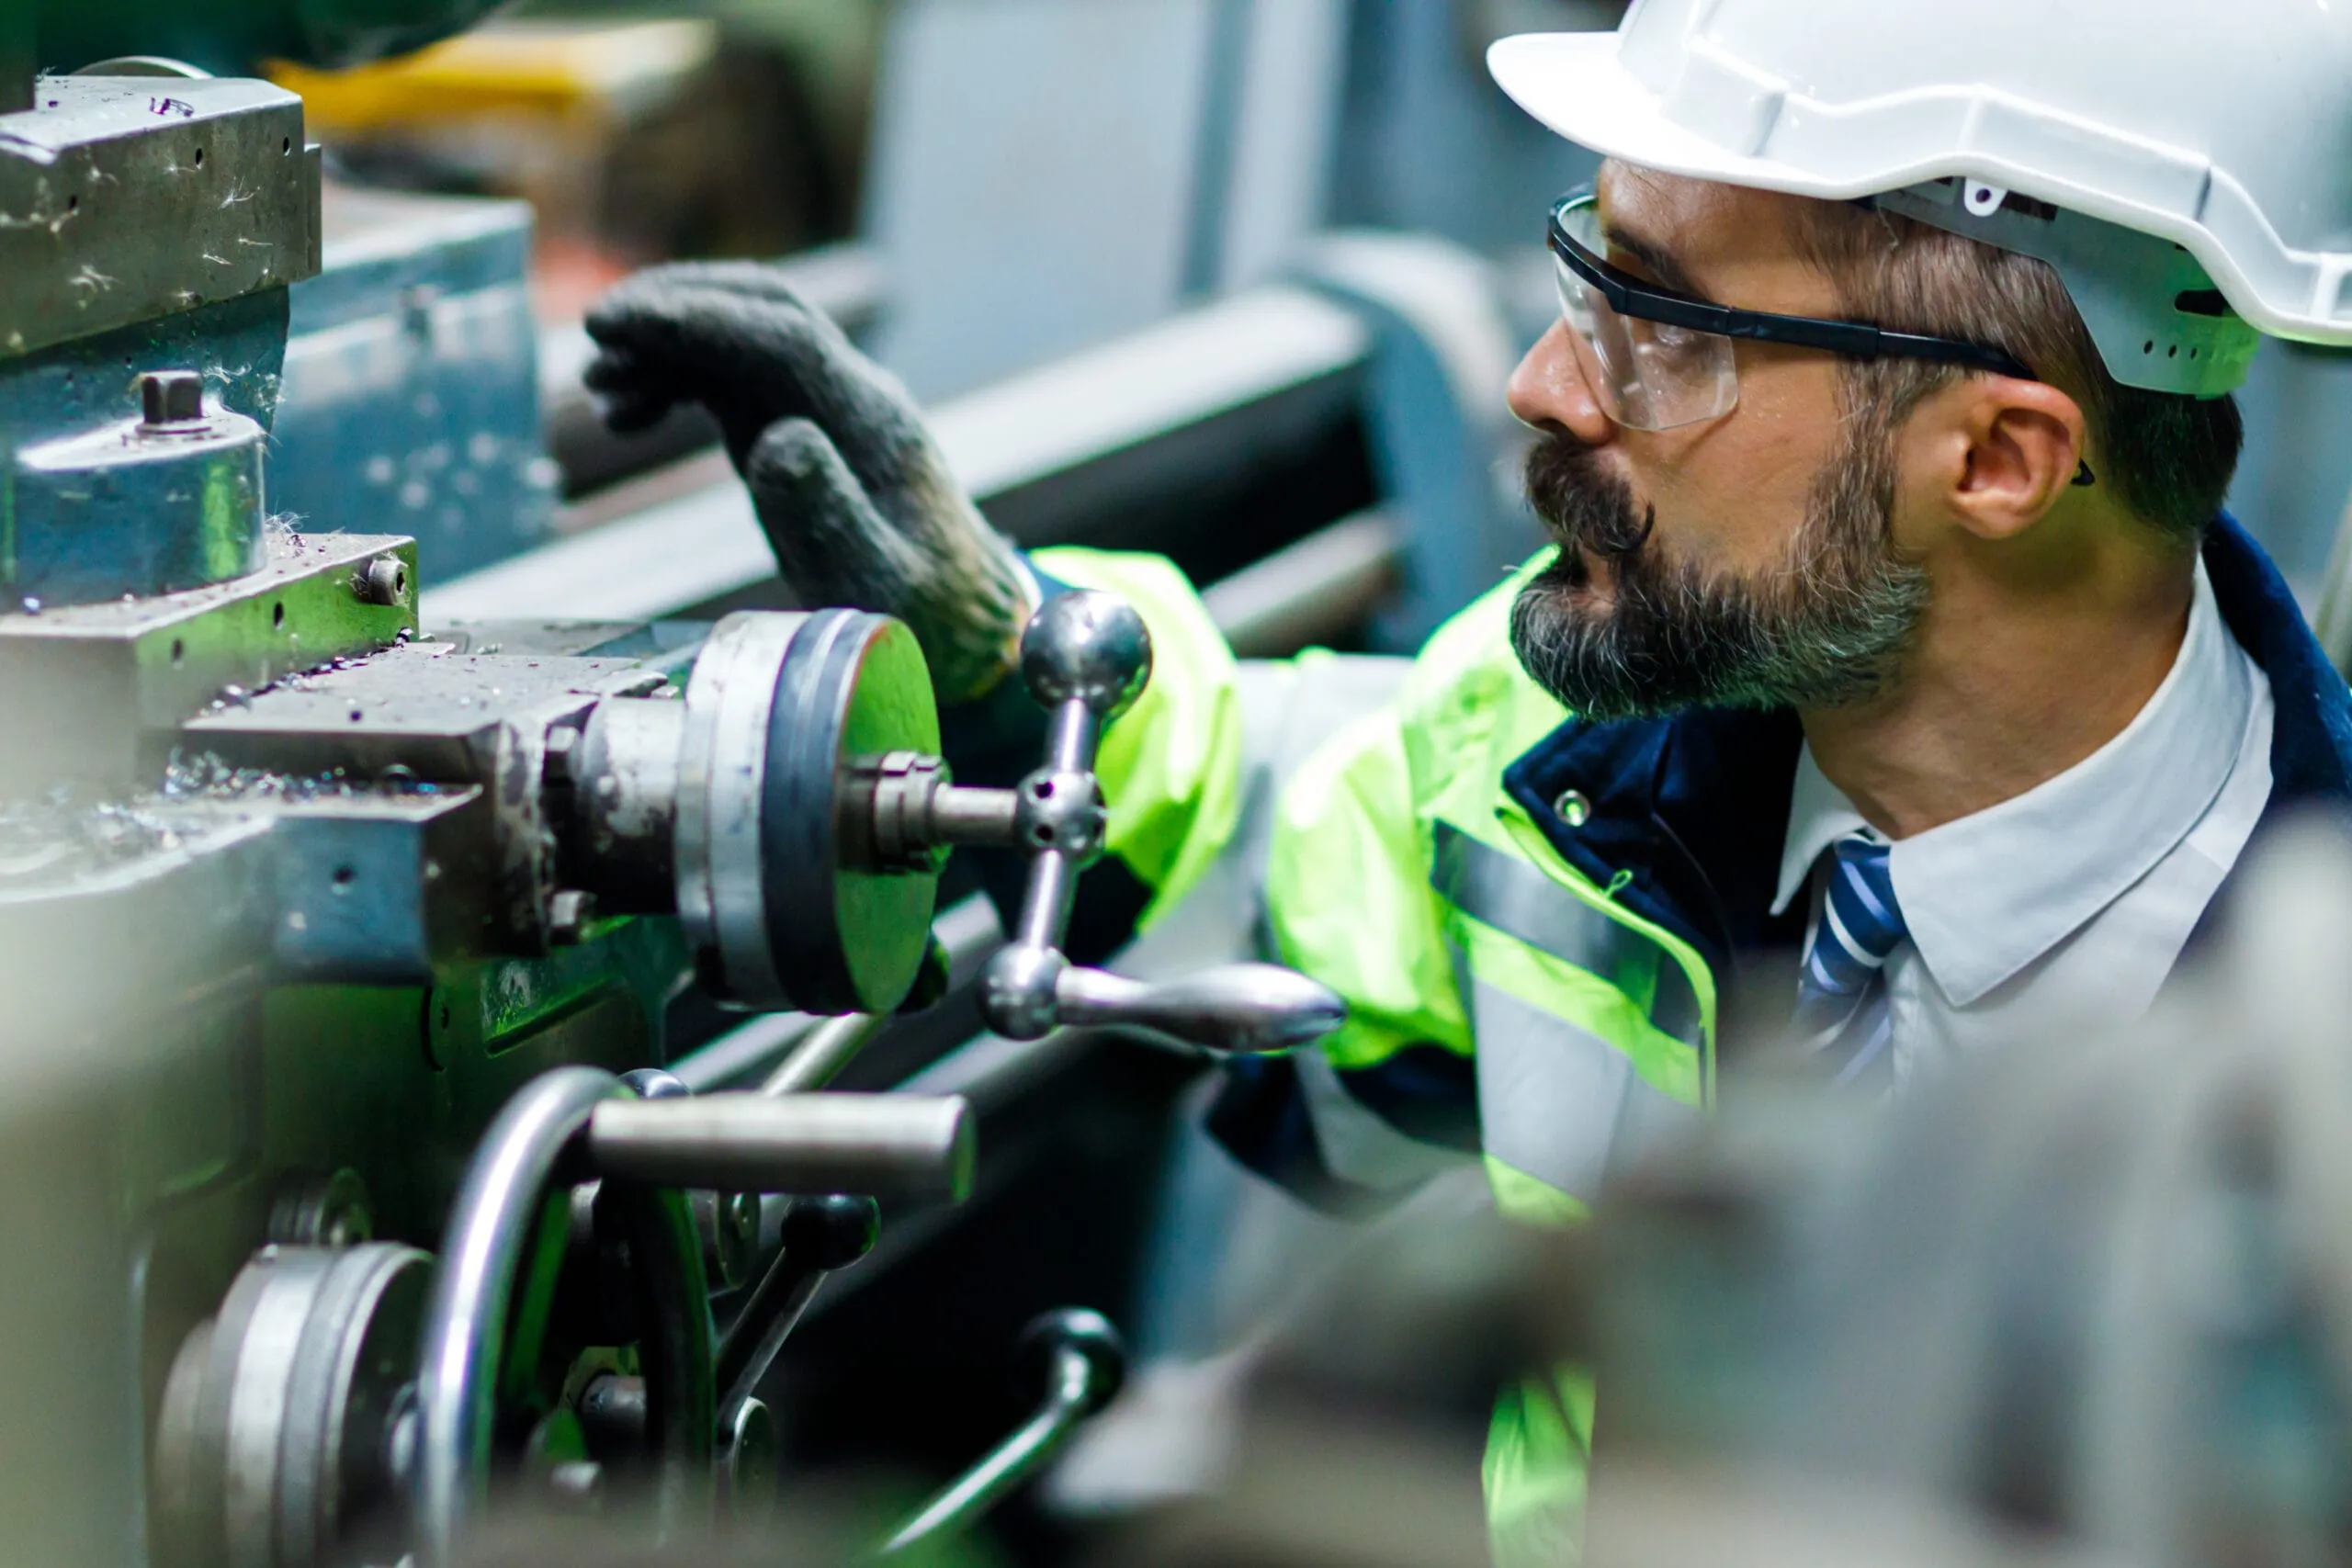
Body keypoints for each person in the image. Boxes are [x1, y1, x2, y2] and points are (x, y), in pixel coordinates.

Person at [580, 3, 2352, 1557]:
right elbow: (1276, 826)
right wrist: (1002, 656)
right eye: (1590, 274)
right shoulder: (1560, 774)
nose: (1544, 383)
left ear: (2000, 460)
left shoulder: (2301, 1099)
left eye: (1665, 325)